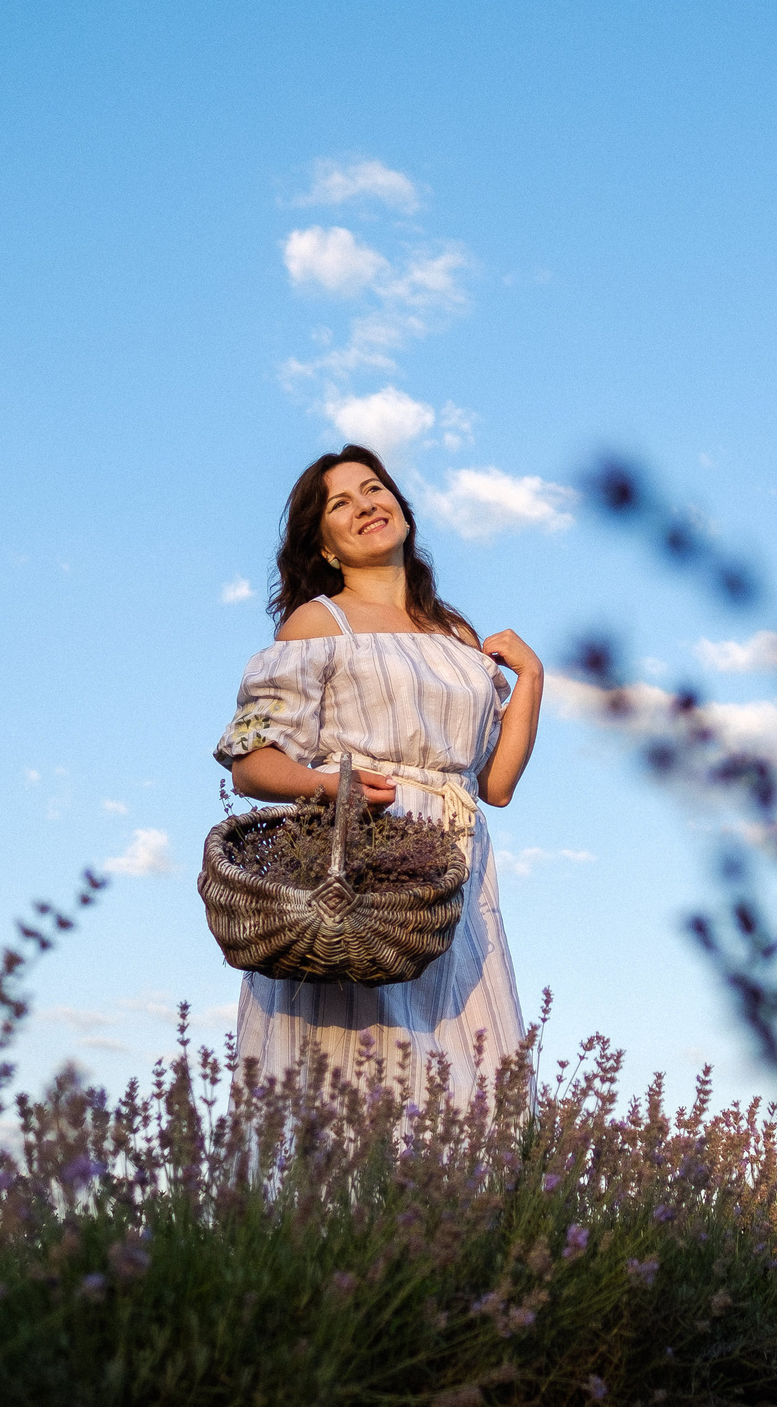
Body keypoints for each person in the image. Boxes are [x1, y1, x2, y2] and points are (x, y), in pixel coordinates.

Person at [213, 444, 543, 1102]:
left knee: (477, 1078)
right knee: (357, 1083)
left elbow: (496, 785)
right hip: (363, 866)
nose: (366, 503)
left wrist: (531, 677)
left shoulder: (454, 631)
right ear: (326, 546)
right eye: (342, 502)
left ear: (402, 508)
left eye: (374, 488)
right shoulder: (318, 622)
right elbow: (251, 760)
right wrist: (325, 784)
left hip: (457, 878)